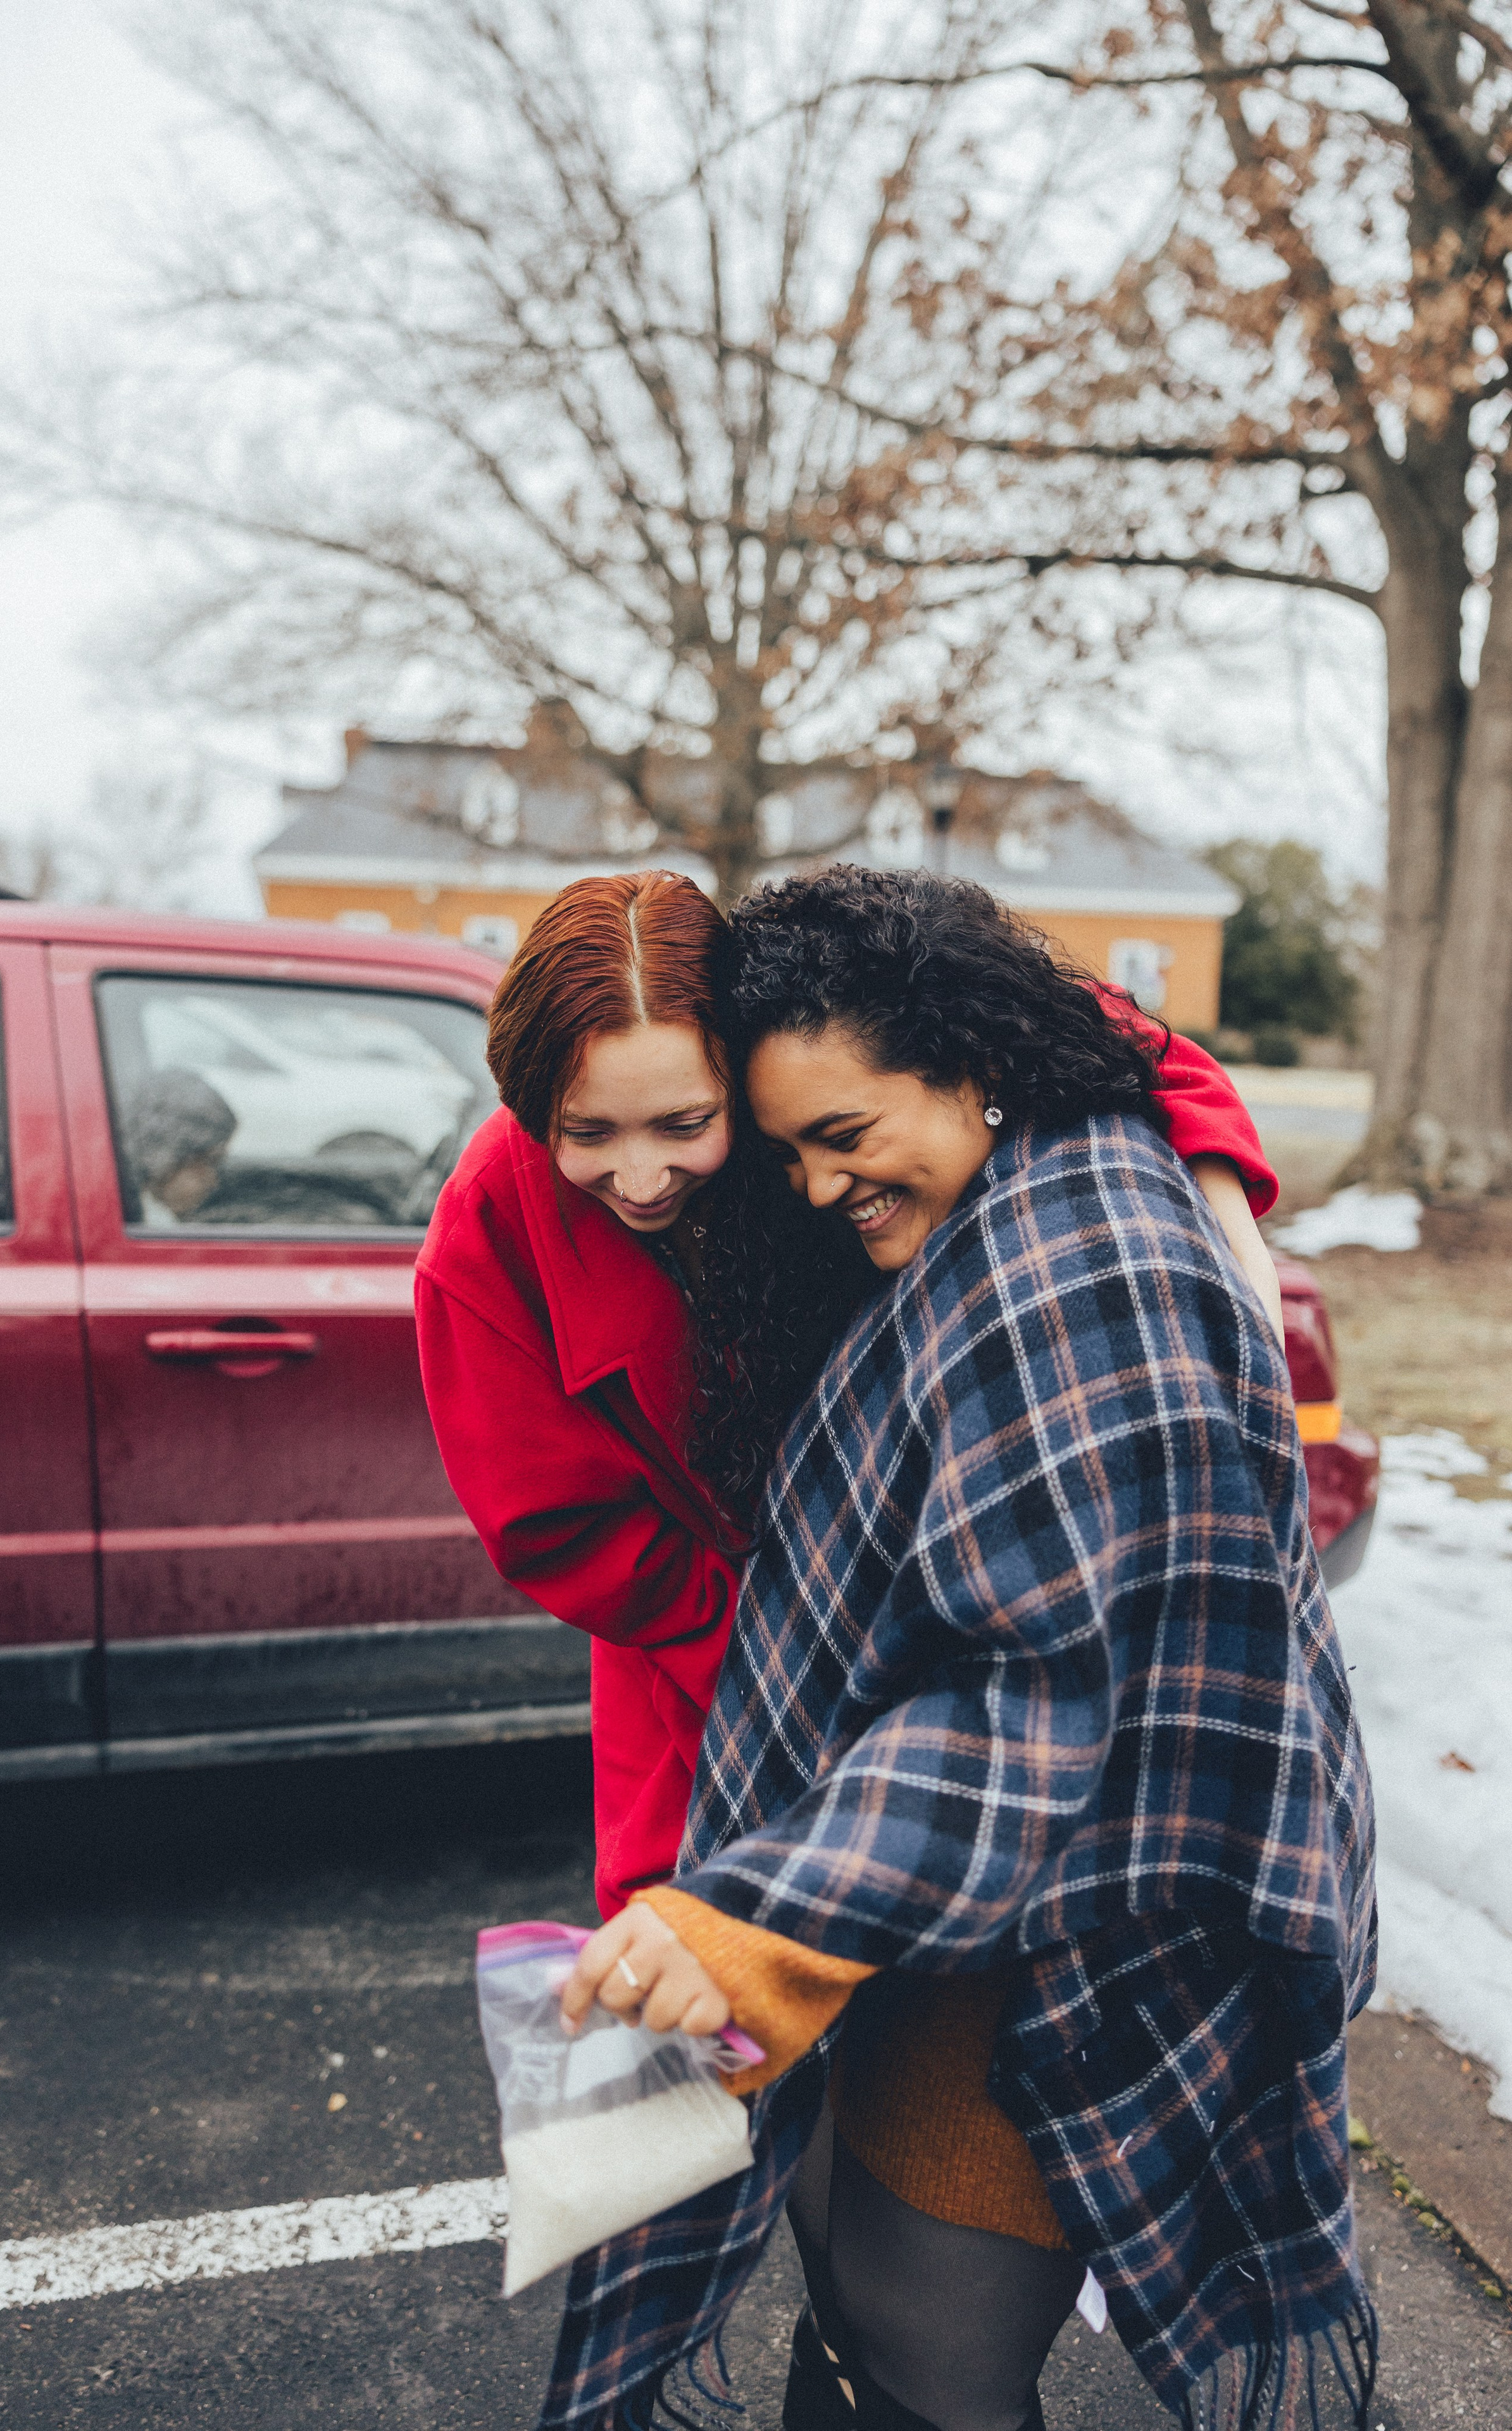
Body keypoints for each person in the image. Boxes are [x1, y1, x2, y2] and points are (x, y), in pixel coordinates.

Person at [554, 869, 1377, 2431]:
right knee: (855, 2269)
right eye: (787, 1150)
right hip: (950, 1896)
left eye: (842, 1139)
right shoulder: (1001, 1193)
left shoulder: (1084, 1270)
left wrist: (759, 1917)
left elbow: (1036, 1692)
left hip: (1094, 1906)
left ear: (971, 1064)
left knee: (929, 2329)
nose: (809, 1188)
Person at [416, 868, 1282, 1921]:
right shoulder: (490, 1230)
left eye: (685, 1123)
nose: (641, 1178)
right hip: (706, 1667)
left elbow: (1062, 1020)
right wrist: (787, 1656)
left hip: (933, 1583)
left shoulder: (798, 1085)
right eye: (586, 1134)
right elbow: (556, 1526)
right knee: (726, 1960)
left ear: (737, 1067)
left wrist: (1223, 1186)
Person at [122, 1067, 237, 1224]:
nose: (213, 1182)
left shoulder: (145, 1217)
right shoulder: (133, 1223)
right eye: (206, 1162)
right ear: (165, 1159)